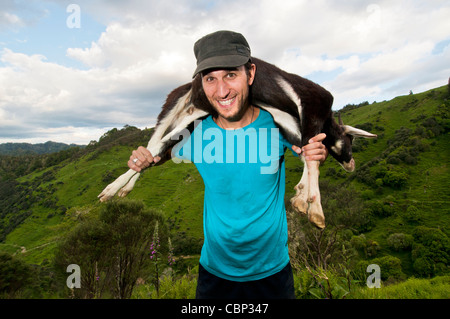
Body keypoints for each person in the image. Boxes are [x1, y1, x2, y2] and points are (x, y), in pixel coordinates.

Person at [128, 31, 328, 299]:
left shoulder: (277, 125)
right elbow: (157, 155)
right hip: (214, 277)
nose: (221, 91)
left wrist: (317, 153)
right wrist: (142, 159)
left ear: (251, 74)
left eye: (231, 75)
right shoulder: (194, 132)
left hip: (273, 275)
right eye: (211, 78)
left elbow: (308, 151)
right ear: (201, 83)